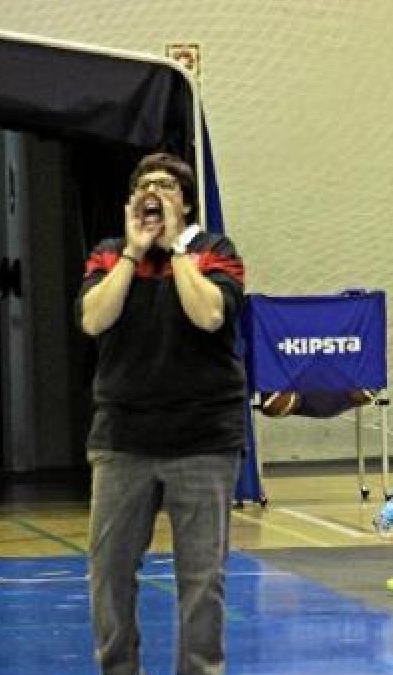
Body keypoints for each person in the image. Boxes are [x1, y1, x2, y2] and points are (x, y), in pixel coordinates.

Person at [77, 152, 247, 675]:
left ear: (187, 202)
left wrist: (176, 248)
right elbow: (94, 320)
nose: (155, 192)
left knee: (202, 578)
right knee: (109, 572)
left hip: (203, 439)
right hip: (123, 438)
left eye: (168, 186)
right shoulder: (108, 256)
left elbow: (208, 315)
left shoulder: (215, 251)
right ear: (130, 201)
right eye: (145, 186)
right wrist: (133, 252)